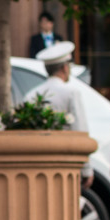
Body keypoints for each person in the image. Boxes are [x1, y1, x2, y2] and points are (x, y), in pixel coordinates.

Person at [26, 41, 92, 188]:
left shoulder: (31, 94)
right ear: (64, 67)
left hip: (37, 164)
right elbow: (80, 131)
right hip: (65, 162)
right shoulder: (71, 93)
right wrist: (86, 168)